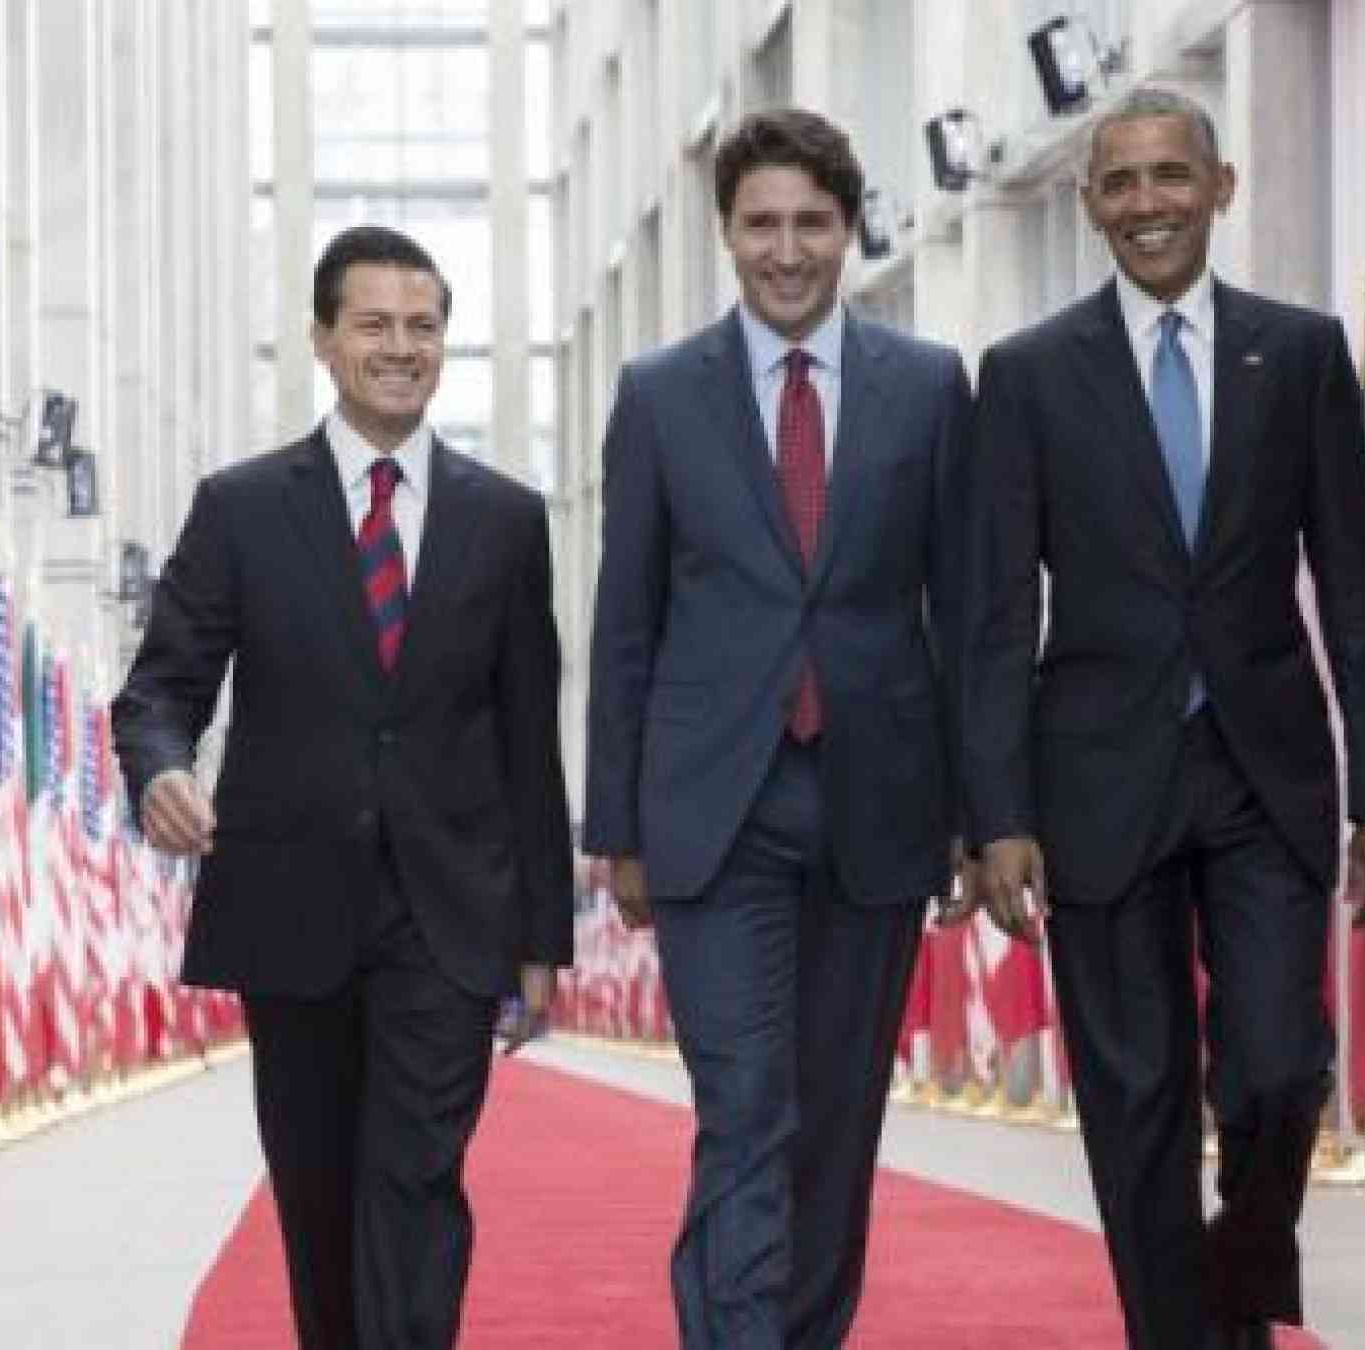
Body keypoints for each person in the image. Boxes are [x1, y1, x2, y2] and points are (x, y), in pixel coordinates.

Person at [961, 86, 1365, 1349]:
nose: (1148, 203)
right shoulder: (1028, 376)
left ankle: (1242, 1258)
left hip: (1262, 768)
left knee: (1278, 1067)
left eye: (1173, 176)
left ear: (1220, 188)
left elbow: (1360, 585)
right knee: (1136, 1097)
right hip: (1096, 779)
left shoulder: (1305, 353)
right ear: (1089, 203)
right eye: (1121, 183)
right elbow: (997, 615)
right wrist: (994, 815)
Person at [111, 225, 573, 1350]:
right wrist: (164, 768)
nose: (400, 348)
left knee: (415, 1186)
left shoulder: (506, 520)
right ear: (324, 341)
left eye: (423, 327)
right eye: (374, 325)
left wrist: (543, 938)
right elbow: (160, 689)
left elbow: (527, 740)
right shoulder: (240, 508)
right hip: (291, 907)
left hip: (447, 917)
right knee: (318, 1203)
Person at [582, 107, 973, 1349]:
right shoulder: (659, 397)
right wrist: (619, 829)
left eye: (811, 222)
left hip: (876, 805)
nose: (788, 250)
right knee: (747, 1108)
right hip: (715, 815)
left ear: (849, 230)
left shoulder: (927, 387)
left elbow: (965, 616)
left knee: (836, 1119)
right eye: (762, 223)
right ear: (727, 234)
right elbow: (625, 622)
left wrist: (980, 815)